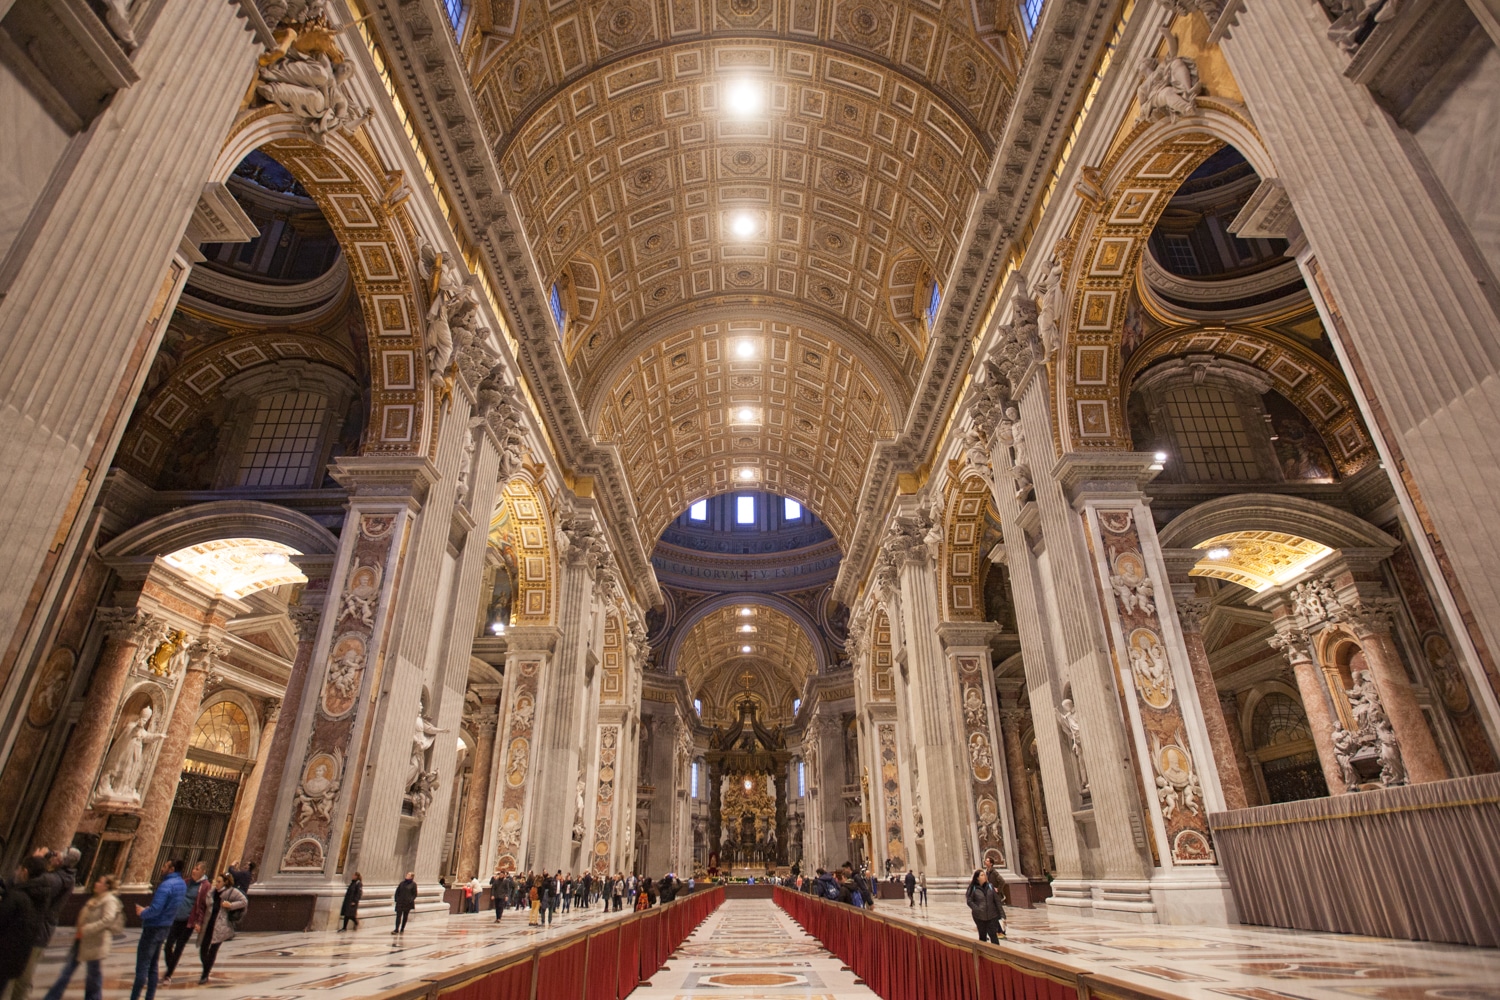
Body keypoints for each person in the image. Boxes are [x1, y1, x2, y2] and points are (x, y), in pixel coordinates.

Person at [41, 873, 122, 1000]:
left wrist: (86, 929)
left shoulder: (109, 900)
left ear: (106, 886)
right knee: (72, 972)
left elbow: (108, 919)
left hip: (95, 943)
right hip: (83, 940)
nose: (96, 884)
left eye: (100, 882)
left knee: (91, 975)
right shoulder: (98, 898)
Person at [130, 859, 186, 1000]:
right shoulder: (181, 884)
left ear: (171, 869)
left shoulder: (166, 885)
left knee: (142, 966)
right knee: (153, 965)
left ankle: (135, 996)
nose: (162, 868)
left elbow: (156, 909)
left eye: (165, 866)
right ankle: (150, 996)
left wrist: (143, 912)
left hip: (153, 927)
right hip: (165, 926)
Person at [0, 857, 47, 1000]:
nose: (16, 872)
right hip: (15, 959)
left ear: (25, 872)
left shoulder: (17, 897)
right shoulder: (41, 896)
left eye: (19, 869)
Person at [196, 873, 247, 983]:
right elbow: (203, 906)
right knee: (203, 949)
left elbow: (244, 901)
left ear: (225, 882)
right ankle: (206, 968)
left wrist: (231, 905)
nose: (217, 884)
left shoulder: (231, 892)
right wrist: (199, 922)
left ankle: (205, 974)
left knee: (212, 950)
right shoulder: (212, 892)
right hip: (208, 924)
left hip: (220, 926)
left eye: (219, 882)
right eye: (216, 881)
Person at [161, 861, 205, 982]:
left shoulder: (205, 886)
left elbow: (202, 906)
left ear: (203, 872)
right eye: (194, 868)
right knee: (168, 945)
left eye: (197, 869)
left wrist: (198, 922)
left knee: (179, 947)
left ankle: (168, 974)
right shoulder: (186, 882)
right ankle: (171, 966)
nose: (194, 871)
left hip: (188, 922)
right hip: (176, 918)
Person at [965, 869, 1004, 945]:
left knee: (993, 936)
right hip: (979, 916)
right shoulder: (973, 888)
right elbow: (969, 901)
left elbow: (997, 901)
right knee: (982, 936)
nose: (984, 876)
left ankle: (995, 951)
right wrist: (977, 909)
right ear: (977, 878)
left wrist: (1002, 915)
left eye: (984, 875)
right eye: (982, 875)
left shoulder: (990, 886)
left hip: (992, 915)